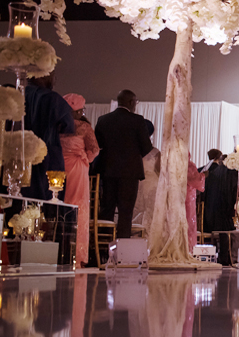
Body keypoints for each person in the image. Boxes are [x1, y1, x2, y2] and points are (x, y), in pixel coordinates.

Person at [94, 90, 153, 239]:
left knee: (106, 210)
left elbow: (98, 145)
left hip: (108, 172)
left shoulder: (103, 120)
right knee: (125, 212)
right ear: (131, 102)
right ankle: (122, 250)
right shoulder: (138, 120)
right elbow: (146, 148)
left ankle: (103, 248)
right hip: (129, 173)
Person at [60, 94, 99, 266]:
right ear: (76, 111)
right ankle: (78, 255)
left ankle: (60, 251)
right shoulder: (84, 127)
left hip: (59, 167)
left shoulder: (58, 124)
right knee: (78, 207)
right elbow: (94, 150)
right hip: (77, 168)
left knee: (60, 205)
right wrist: (85, 158)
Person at [23, 74, 75, 200]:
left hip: (18, 153)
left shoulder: (17, 95)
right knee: (49, 198)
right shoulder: (53, 99)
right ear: (42, 76)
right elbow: (68, 127)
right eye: (52, 76)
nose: (54, 80)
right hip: (47, 154)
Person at [201, 150, 238, 233]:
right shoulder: (224, 173)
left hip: (205, 211)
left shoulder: (201, 170)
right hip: (221, 211)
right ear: (219, 158)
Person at [186, 155, 205, 250]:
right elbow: (196, 180)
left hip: (175, 196)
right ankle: (188, 248)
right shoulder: (188, 165)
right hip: (187, 197)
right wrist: (203, 175)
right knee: (188, 222)